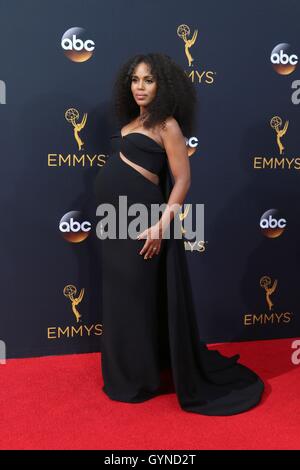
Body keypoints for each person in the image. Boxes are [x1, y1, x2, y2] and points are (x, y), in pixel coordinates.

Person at [93, 52, 264, 415]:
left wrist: (159, 226)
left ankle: (141, 379)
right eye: (135, 80)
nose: (140, 87)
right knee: (120, 298)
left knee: (139, 299)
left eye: (148, 80)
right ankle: (123, 373)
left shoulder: (167, 125)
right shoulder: (132, 121)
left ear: (163, 85)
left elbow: (183, 179)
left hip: (144, 222)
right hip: (113, 222)